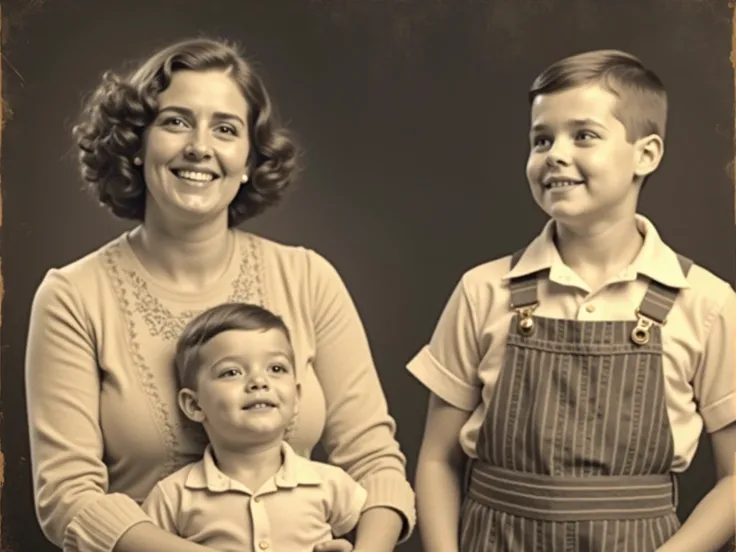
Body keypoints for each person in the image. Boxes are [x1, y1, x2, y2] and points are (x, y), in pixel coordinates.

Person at [25, 37, 415, 552]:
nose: (200, 147)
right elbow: (68, 496)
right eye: (175, 121)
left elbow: (374, 460)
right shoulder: (72, 297)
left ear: (250, 160)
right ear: (136, 146)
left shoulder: (308, 278)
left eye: (225, 129)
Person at [408, 49, 736, 551]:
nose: (555, 154)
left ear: (646, 154)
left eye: (583, 135)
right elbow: (436, 459)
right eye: (542, 139)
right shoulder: (483, 290)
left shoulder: (706, 302)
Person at [141, 302, 368, 551]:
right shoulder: (173, 496)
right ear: (194, 405)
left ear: (296, 397)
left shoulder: (330, 484)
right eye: (231, 372)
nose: (259, 381)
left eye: (276, 368)